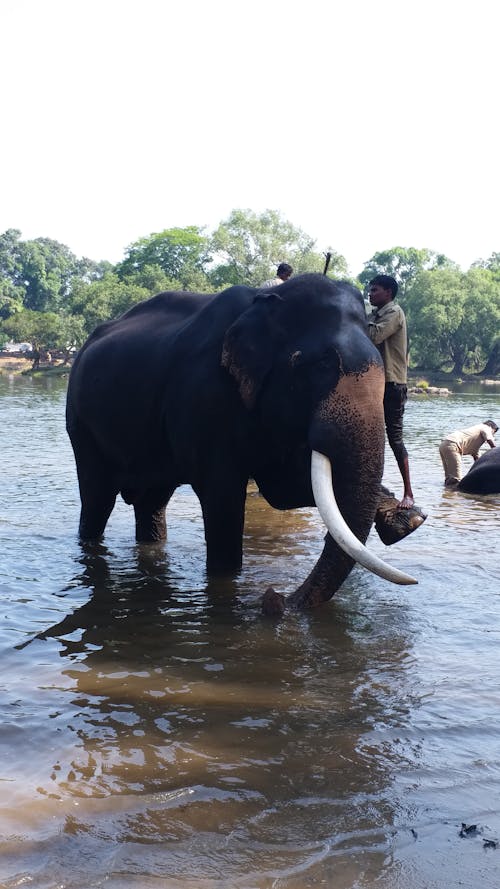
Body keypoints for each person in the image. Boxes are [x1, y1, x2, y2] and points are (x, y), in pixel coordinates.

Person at [367, 274, 414, 508]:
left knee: (395, 438)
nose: (370, 293)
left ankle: (408, 493)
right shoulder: (375, 314)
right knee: (371, 436)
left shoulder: (394, 313)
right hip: (375, 382)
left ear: (388, 292)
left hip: (393, 384)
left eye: (375, 290)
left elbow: (374, 335)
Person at [439, 420, 498, 486]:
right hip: (453, 445)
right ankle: (455, 495)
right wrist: (495, 452)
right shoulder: (486, 427)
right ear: (492, 428)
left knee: (449, 477)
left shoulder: (475, 436)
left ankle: (447, 493)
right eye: (493, 433)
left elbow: (477, 460)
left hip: (444, 444)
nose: (493, 435)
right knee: (456, 478)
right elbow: (490, 441)